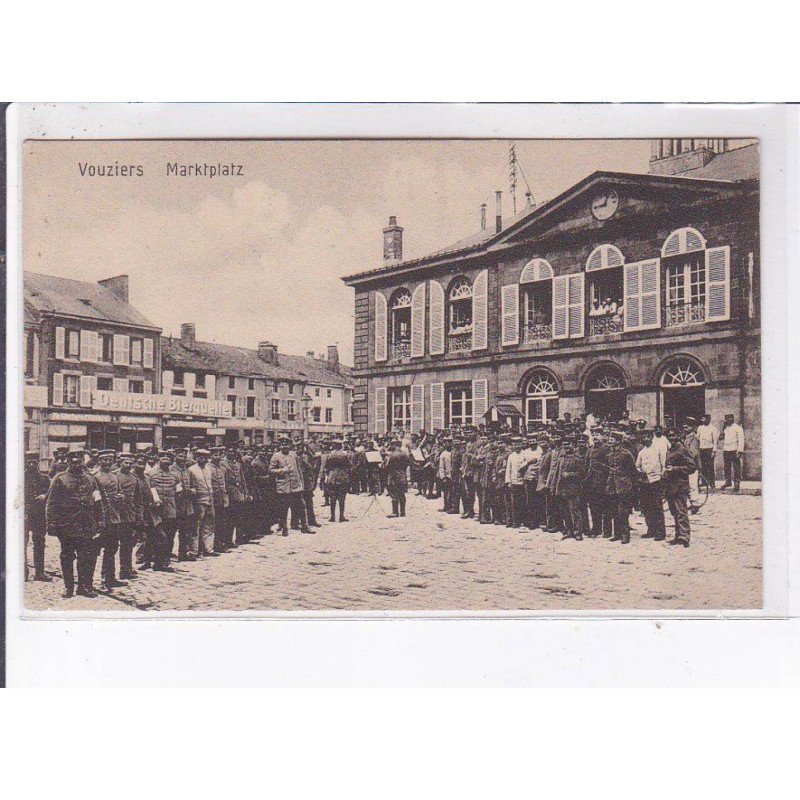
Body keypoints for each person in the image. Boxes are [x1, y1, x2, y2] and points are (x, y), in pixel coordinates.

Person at [45, 450, 103, 598]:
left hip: (86, 524)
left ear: (83, 462)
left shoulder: (91, 479)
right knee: (67, 556)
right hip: (67, 525)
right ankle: (68, 587)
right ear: (68, 462)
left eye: (79, 462)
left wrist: (100, 519)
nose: (76, 464)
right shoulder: (60, 479)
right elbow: (51, 503)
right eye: (73, 462)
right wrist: (51, 523)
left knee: (85, 556)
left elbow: (97, 501)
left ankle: (83, 587)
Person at [93, 449, 126, 590]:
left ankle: (109, 578)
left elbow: (120, 493)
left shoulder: (115, 476)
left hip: (114, 518)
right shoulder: (94, 476)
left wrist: (121, 497)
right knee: (94, 550)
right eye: (104, 460)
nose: (107, 462)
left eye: (109, 460)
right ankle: (91, 580)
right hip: (100, 518)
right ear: (99, 460)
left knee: (112, 548)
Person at [663, 428, 697, 547]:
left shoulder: (682, 449)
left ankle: (685, 537)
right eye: (669, 436)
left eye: (673, 435)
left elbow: (692, 467)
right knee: (674, 512)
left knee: (681, 512)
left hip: (680, 486)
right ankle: (678, 536)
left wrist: (675, 469)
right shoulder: (670, 449)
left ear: (677, 435)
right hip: (671, 486)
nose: (671, 438)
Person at [270, 439, 311, 534]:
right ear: (280, 446)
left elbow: (299, 470)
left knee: (301, 506)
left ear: (289, 446)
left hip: (295, 487)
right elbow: (271, 471)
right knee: (283, 509)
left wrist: (301, 484)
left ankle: (305, 527)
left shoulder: (294, 455)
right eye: (282, 445)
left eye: (286, 445)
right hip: (284, 487)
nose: (285, 446)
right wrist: (283, 470)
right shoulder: (276, 456)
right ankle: (284, 528)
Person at [148, 450, 180, 570]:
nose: (166, 459)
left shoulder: (175, 475)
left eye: (168, 457)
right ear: (158, 459)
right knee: (157, 536)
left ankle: (165, 561)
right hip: (156, 510)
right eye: (163, 457)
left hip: (171, 509)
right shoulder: (151, 473)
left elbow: (178, 491)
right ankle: (156, 561)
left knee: (170, 535)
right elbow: (149, 490)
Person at [606, 431, 638, 544]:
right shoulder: (610, 454)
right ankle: (617, 534)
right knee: (614, 510)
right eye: (609, 440)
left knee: (623, 511)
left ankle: (625, 535)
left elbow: (633, 471)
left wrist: (631, 486)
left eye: (612, 440)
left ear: (618, 441)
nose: (610, 441)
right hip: (612, 486)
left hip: (624, 486)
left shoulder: (626, 454)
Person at [187, 449, 219, 557]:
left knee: (209, 525)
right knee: (195, 527)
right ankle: (193, 551)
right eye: (201, 457)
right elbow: (190, 486)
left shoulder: (208, 469)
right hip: (198, 501)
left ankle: (208, 549)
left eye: (205, 457)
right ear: (196, 458)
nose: (203, 459)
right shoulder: (191, 470)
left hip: (210, 500)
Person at [635, 429, 666, 541]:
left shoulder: (658, 449)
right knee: (646, 507)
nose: (646, 439)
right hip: (644, 482)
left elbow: (663, 464)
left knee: (657, 507)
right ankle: (651, 529)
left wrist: (662, 478)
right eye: (644, 437)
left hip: (655, 481)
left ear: (652, 437)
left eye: (648, 437)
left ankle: (660, 532)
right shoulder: (641, 452)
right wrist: (641, 471)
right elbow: (637, 466)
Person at [116, 453, 142, 578]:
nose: (128, 465)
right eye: (126, 462)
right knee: (113, 545)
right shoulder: (115, 476)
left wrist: (139, 515)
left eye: (131, 463)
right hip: (116, 514)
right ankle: (108, 574)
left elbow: (138, 499)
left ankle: (126, 569)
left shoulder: (134, 478)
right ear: (120, 462)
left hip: (130, 514)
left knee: (128, 544)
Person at [323, 439, 351, 522]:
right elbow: (349, 465)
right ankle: (341, 516)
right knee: (342, 498)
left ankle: (332, 517)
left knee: (332, 498)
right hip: (342, 478)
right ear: (340, 446)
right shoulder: (343, 455)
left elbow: (326, 467)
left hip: (332, 478)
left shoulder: (329, 455)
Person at [504, 436, 529, 529]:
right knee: (514, 503)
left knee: (523, 503)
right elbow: (508, 470)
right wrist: (509, 482)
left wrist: (524, 465)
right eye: (514, 444)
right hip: (514, 483)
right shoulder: (511, 456)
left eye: (518, 444)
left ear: (521, 444)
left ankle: (524, 521)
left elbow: (529, 463)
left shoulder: (525, 454)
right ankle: (515, 522)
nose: (516, 446)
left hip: (523, 482)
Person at [720, 413, 745, 492]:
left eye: (729, 418)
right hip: (726, 450)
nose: (727, 420)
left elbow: (741, 440)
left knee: (736, 467)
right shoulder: (726, 428)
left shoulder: (738, 428)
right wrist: (722, 430)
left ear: (732, 418)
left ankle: (737, 483)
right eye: (726, 419)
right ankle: (728, 481)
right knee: (727, 467)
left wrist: (740, 451)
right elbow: (721, 438)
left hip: (734, 450)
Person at [386, 440, 411, 517]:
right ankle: (403, 512)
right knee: (402, 495)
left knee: (394, 494)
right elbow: (408, 464)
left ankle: (395, 512)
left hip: (394, 476)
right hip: (403, 476)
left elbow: (389, 467)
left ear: (394, 445)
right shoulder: (405, 454)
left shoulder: (392, 455)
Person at [696, 414, 717, 491]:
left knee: (710, 466)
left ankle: (712, 482)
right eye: (702, 418)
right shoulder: (700, 428)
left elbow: (715, 441)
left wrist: (714, 451)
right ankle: (704, 482)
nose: (702, 420)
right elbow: (698, 438)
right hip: (702, 449)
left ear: (708, 419)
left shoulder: (713, 428)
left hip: (709, 449)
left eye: (703, 418)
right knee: (703, 466)